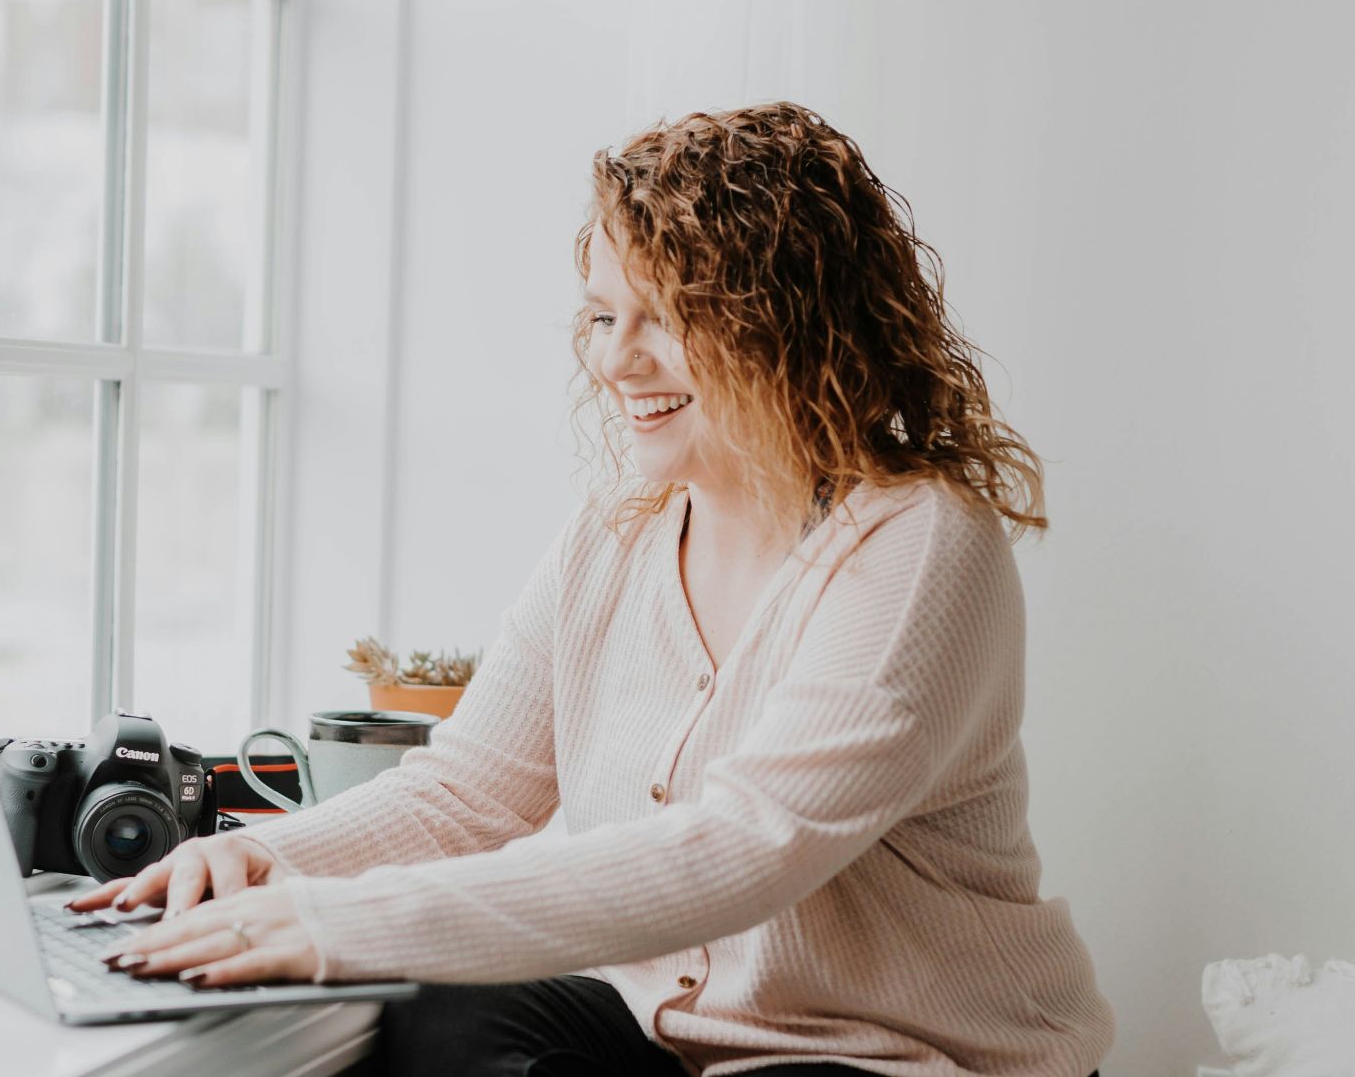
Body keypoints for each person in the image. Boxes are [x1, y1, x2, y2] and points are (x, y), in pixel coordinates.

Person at [70, 101, 1114, 1077]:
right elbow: (469, 791)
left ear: (789, 326)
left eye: (663, 317)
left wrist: (334, 925)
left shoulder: (919, 545)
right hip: (686, 1037)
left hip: (910, 1056)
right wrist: (263, 865)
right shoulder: (615, 537)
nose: (617, 361)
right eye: (605, 315)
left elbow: (741, 850)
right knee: (440, 1023)